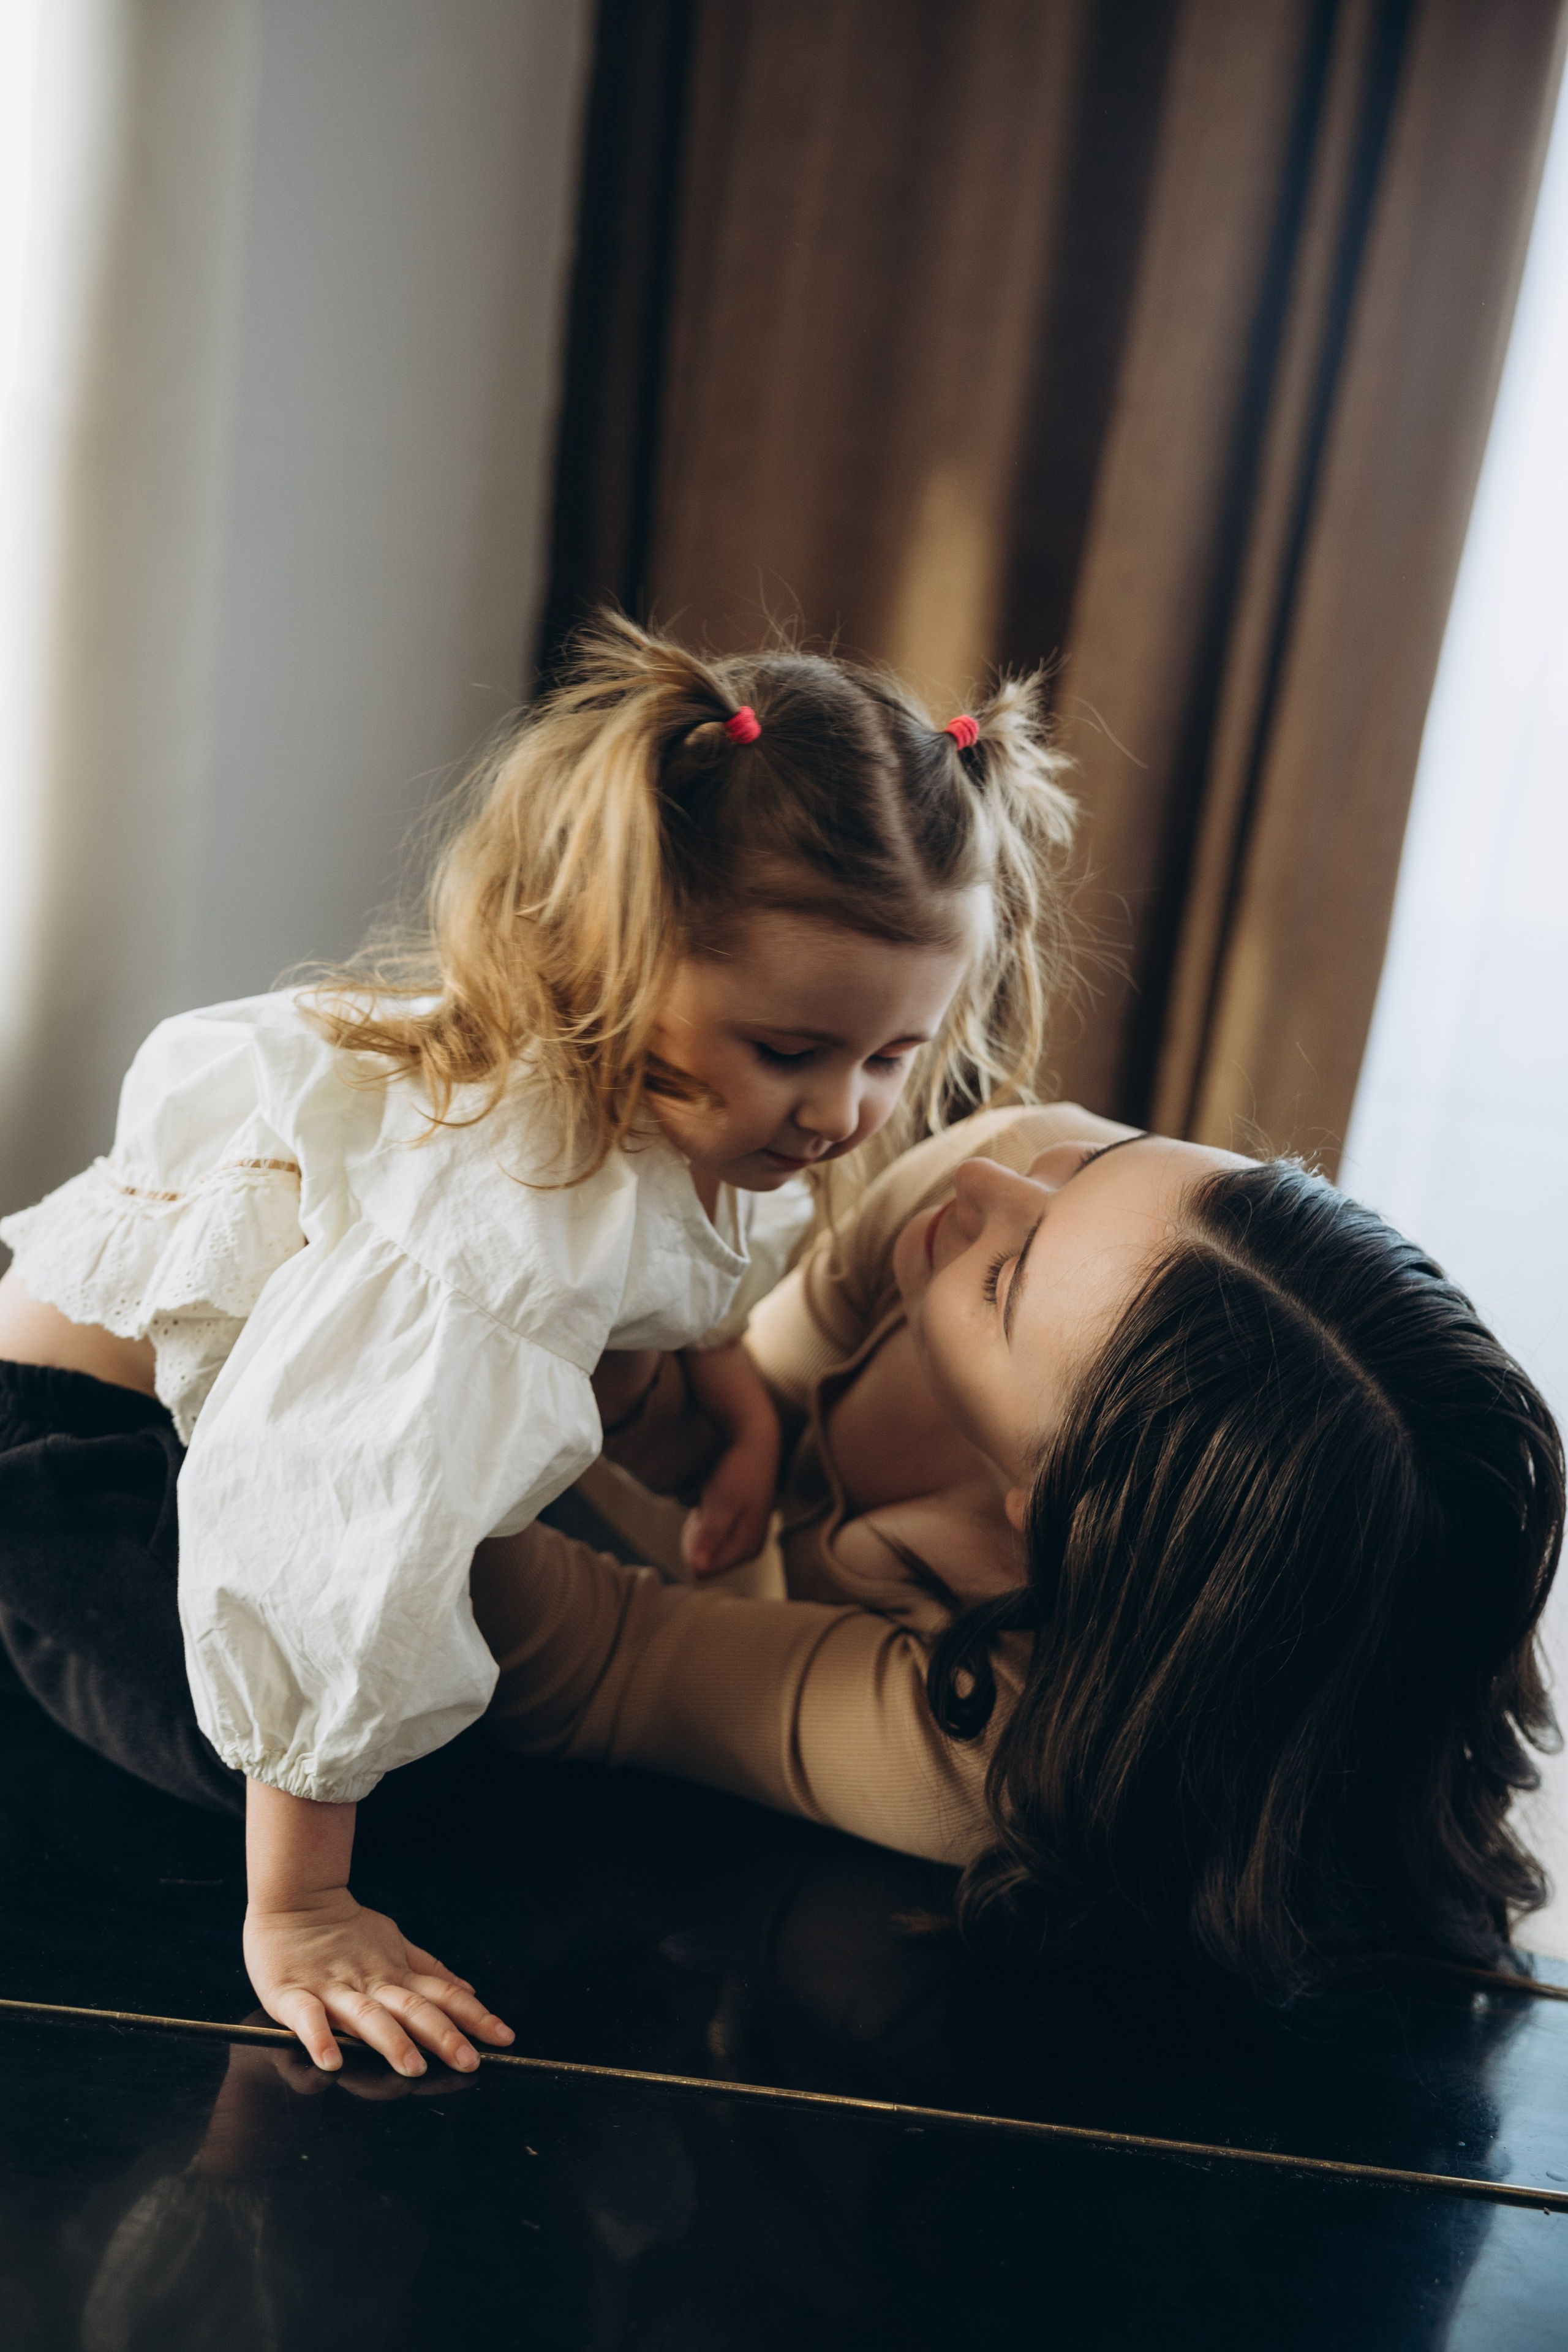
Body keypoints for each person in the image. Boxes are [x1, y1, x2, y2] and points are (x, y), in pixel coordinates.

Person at [0, 616, 1077, 2076]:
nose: (843, 1113)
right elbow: (319, 1520)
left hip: (267, 1411)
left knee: (481, 1622)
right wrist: (304, 1906)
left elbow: (677, 1268)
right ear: (609, 959)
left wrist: (730, 1406)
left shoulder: (716, 1116)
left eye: (890, 1056)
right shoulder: (497, 1214)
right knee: (360, 1741)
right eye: (791, 1054)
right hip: (82, 1461)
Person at [470, 1102, 1564, 1997]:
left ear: (1044, 1521)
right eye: (1097, 1162)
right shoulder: (1005, 1171)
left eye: (1006, 1277)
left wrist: (439, 1436)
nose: (986, 1188)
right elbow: (733, 1423)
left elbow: (605, 1667)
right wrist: (624, 1384)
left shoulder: (1003, 1739)